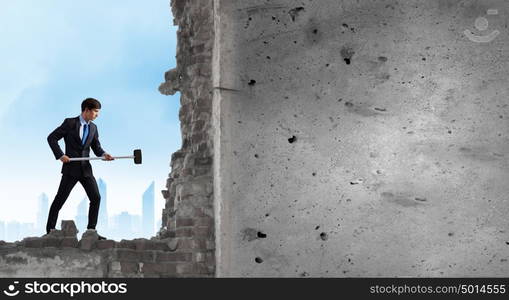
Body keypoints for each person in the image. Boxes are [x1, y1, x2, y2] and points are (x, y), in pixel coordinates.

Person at [46, 98, 114, 240]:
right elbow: (51, 138)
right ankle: (50, 231)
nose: (97, 115)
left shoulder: (94, 128)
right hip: (70, 169)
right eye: (95, 111)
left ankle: (91, 231)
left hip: (85, 169)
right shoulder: (70, 123)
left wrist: (103, 154)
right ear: (86, 110)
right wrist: (60, 155)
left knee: (96, 197)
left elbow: (96, 148)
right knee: (60, 199)